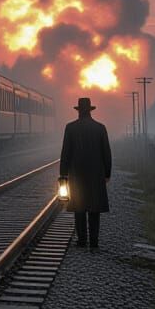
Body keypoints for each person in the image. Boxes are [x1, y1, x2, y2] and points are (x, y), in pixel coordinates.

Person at [59, 96, 112, 248]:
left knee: (79, 207)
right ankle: (94, 242)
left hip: (77, 174)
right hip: (96, 175)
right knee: (94, 208)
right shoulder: (100, 128)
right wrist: (107, 173)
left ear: (78, 111)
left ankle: (82, 240)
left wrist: (63, 174)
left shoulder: (70, 128)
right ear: (90, 111)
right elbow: (106, 153)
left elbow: (65, 153)